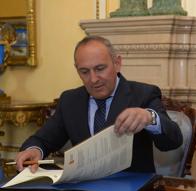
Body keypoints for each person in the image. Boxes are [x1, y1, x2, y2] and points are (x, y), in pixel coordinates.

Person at [15, 35, 183, 173]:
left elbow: (173, 141)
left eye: (100, 68)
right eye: (84, 72)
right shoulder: (70, 100)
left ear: (117, 63)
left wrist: (149, 117)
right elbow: (42, 140)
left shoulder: (143, 94)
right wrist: (35, 150)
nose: (93, 79)